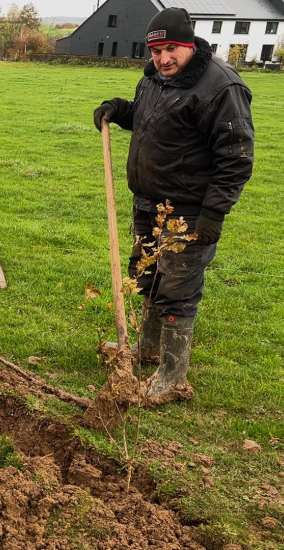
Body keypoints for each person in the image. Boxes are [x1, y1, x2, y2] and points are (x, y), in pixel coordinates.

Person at [93, 7, 254, 403]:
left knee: (178, 290)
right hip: (149, 202)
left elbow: (236, 157)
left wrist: (213, 213)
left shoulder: (220, 87)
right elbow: (157, 120)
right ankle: (147, 350)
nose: (163, 59)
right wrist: (120, 109)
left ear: (189, 44)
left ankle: (173, 376)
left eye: (170, 49)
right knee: (148, 277)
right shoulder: (154, 79)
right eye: (155, 51)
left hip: (187, 211)